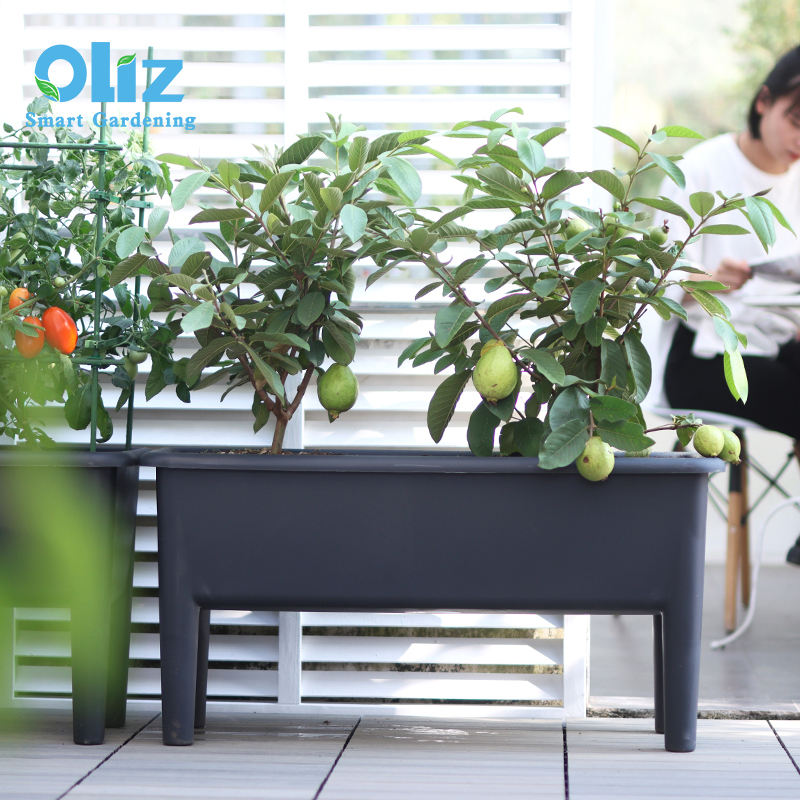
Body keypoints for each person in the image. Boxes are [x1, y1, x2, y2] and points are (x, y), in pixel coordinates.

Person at [655, 45, 800, 566]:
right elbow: (659, 279)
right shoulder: (701, 167)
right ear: (764, 102)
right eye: (796, 121)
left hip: (778, 344)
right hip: (704, 355)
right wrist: (710, 281)